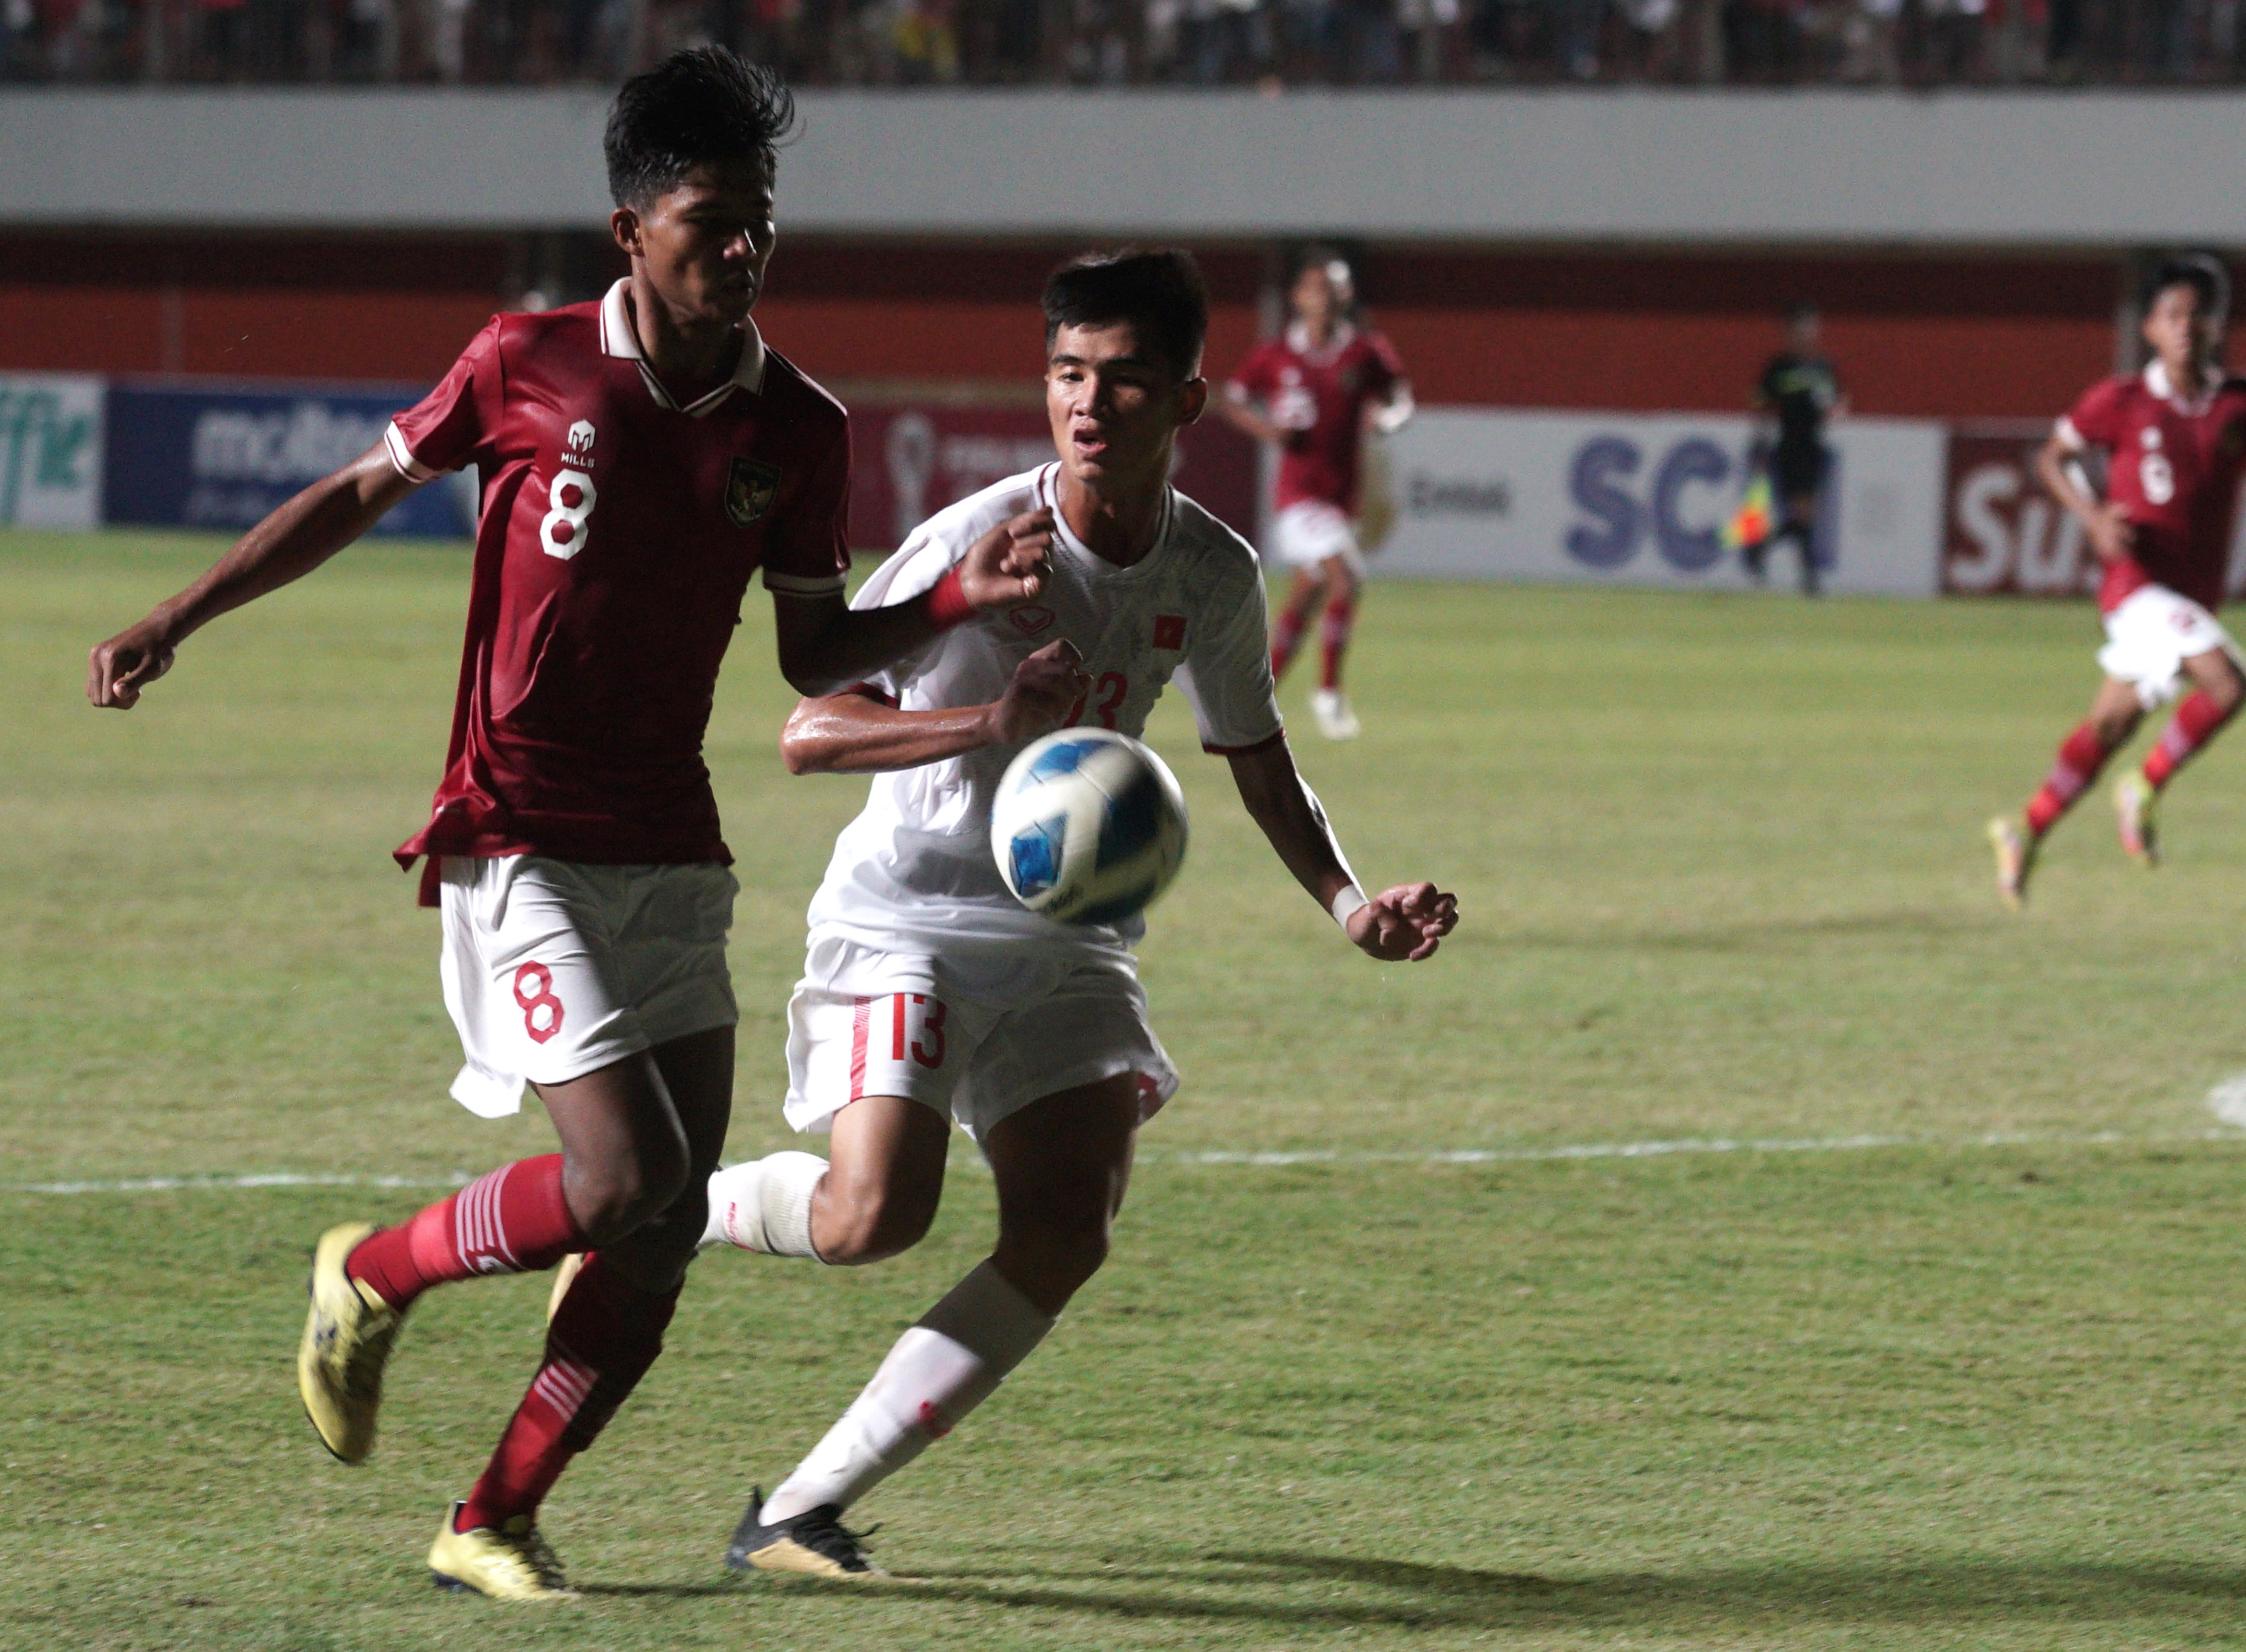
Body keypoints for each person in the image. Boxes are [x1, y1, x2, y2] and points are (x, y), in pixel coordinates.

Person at [83, 48, 1050, 1601]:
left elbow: (812, 653)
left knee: (660, 1235)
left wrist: (948, 604)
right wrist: (176, 617)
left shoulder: (798, 425)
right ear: (630, 231)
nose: (743, 250)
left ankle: (491, 1518)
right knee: (618, 1182)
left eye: (762, 221)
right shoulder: (528, 360)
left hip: (675, 850)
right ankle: (377, 1270)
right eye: (712, 220)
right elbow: (353, 492)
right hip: (518, 828)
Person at [695, 249, 1459, 1581]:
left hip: (1070, 933)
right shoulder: (981, 543)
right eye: (1065, 376)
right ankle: (672, 1208)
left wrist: (1347, 905)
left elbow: (1257, 754)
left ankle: (798, 1512)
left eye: (1121, 380)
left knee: (1068, 1221)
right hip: (914, 916)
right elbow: (811, 730)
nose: (1086, 404)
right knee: (871, 1219)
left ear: (1187, 402)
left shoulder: (1211, 577)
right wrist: (986, 720)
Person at [1988, 255, 2246, 909]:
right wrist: (2092, 518)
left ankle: (2025, 827)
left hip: (2187, 598)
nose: (2185, 327)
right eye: (2171, 316)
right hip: (2136, 588)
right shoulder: (2122, 400)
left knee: (2109, 726)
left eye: (2197, 315)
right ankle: (2145, 786)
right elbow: (2053, 457)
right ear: (2151, 328)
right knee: (2228, 681)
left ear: (2216, 326)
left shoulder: (2238, 402)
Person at [1220, 250, 1413, 742]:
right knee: (1346, 579)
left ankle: (1249, 699)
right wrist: (1270, 432)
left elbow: (1401, 397)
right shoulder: (1276, 354)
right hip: (1298, 498)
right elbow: (1234, 398)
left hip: (1342, 501)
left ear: (1347, 297)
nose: (1323, 299)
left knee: (1306, 598)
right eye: (1314, 290)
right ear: (1298, 297)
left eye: (1333, 290)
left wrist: (1388, 421)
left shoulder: (1365, 352)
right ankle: (1329, 693)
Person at [1744, 301, 1844, 596]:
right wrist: (1759, 442)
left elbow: (1839, 399)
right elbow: (1761, 403)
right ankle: (1810, 578)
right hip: (1789, 445)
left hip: (1815, 446)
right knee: (1802, 512)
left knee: (1804, 514)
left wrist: (1835, 410)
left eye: (1811, 327)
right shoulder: (1779, 367)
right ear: (1790, 332)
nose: (1807, 333)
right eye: (1801, 328)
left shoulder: (1824, 366)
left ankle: (1762, 547)